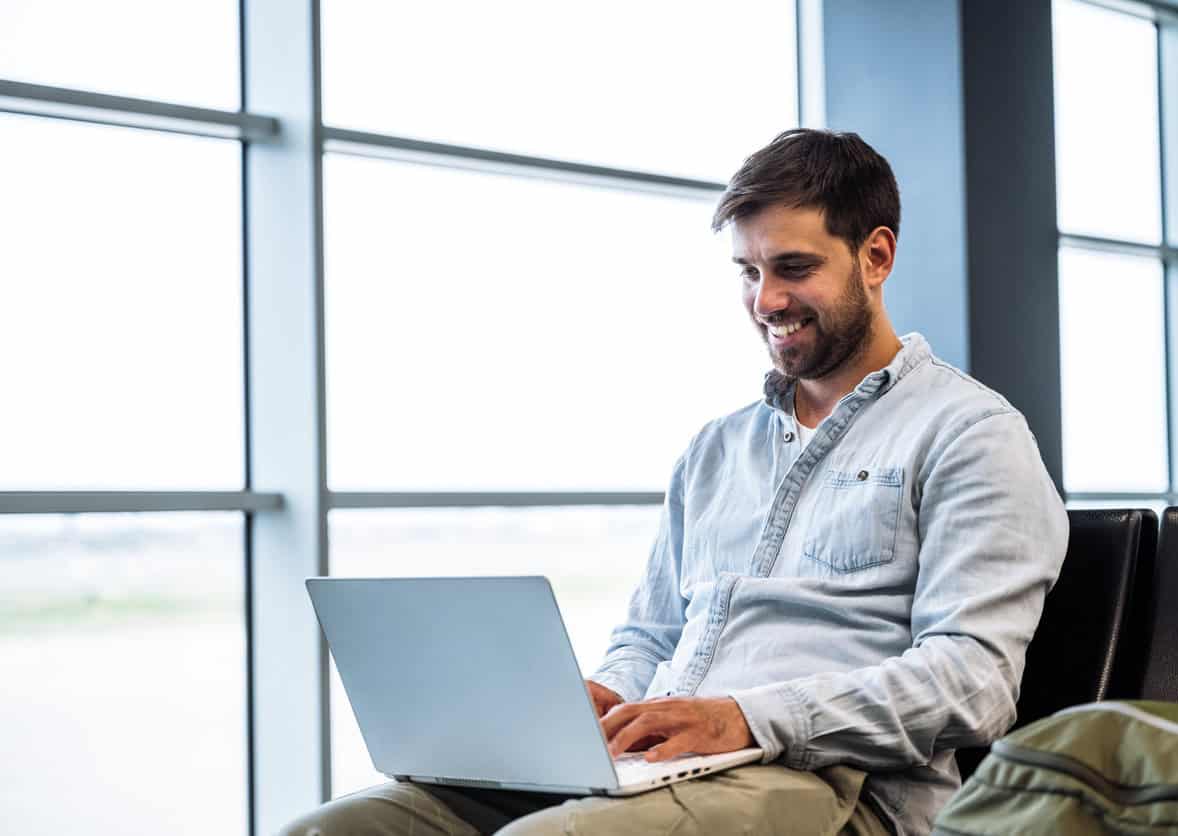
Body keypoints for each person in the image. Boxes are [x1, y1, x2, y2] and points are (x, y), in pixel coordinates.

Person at [280, 129, 1068, 836]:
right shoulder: (715, 450)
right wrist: (601, 697)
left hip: (833, 787)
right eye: (749, 271)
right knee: (341, 828)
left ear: (877, 256)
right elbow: (652, 636)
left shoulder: (970, 434)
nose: (767, 302)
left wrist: (745, 720)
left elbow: (975, 683)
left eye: (794, 268)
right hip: (664, 771)